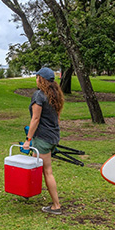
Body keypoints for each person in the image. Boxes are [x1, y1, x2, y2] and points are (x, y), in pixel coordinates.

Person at [24, 67, 65, 215]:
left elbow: (35, 119)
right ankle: (26, 192)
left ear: (41, 79)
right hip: (53, 136)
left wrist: (28, 140)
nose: (35, 80)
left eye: (37, 77)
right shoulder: (55, 95)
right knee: (34, 167)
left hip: (43, 138)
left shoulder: (39, 96)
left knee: (47, 171)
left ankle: (56, 205)